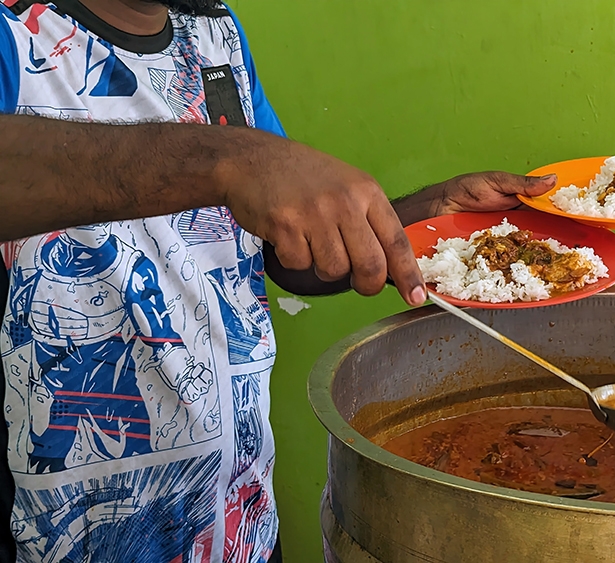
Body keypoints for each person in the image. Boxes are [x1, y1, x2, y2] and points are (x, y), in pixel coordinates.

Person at [0, 0, 557, 561]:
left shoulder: (215, 30)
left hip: (239, 521)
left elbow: (283, 249)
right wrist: (228, 159)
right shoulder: (13, 31)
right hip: (65, 537)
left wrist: (424, 219)